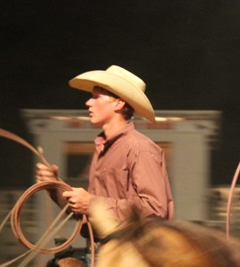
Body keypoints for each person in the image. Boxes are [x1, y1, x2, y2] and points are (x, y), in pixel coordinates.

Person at [36, 65, 174, 231]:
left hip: (130, 253)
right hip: (103, 251)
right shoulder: (102, 150)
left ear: (118, 103)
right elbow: (86, 213)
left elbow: (155, 208)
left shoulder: (140, 148)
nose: (88, 102)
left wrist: (92, 203)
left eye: (96, 97)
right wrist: (54, 186)